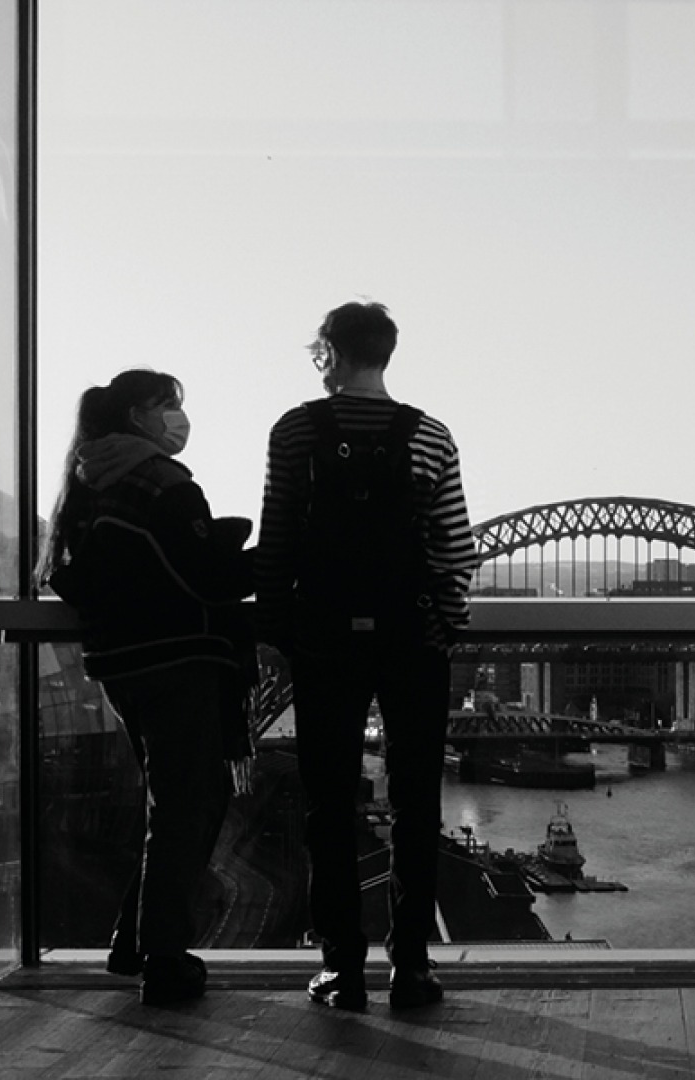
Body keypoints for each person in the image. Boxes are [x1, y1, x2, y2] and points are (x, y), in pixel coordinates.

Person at [256, 300, 476, 1011]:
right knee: (417, 804)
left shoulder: (294, 431)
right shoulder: (431, 435)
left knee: (328, 806)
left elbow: (277, 541)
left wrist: (287, 632)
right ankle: (410, 968)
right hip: (412, 638)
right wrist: (444, 625)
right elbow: (454, 548)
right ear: (387, 353)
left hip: (323, 639)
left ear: (329, 352)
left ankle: (341, 969)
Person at [38, 369, 257, 1007]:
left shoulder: (87, 481)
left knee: (172, 803)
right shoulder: (163, 484)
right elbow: (208, 580)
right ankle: (163, 957)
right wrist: (261, 560)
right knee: (189, 804)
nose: (177, 418)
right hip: (177, 663)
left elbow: (82, 576)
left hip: (120, 666)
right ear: (138, 415)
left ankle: (133, 942)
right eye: (168, 405)